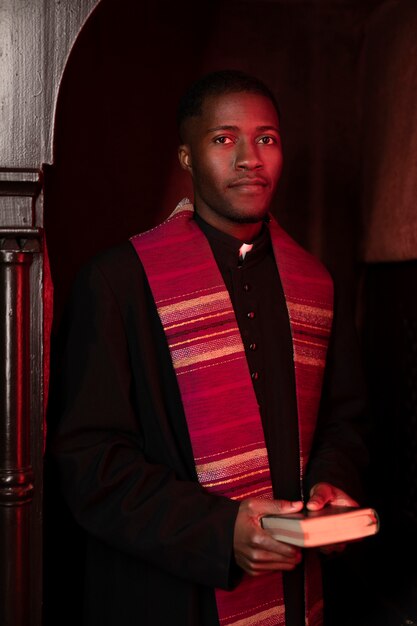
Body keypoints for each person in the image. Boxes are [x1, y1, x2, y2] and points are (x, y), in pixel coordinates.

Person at [48, 69, 369, 626]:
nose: (250, 157)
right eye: (224, 139)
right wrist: (222, 534)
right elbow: (90, 462)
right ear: (187, 158)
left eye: (266, 138)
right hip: (168, 597)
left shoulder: (315, 283)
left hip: (291, 591)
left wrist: (329, 486)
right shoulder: (119, 282)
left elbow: (344, 422)